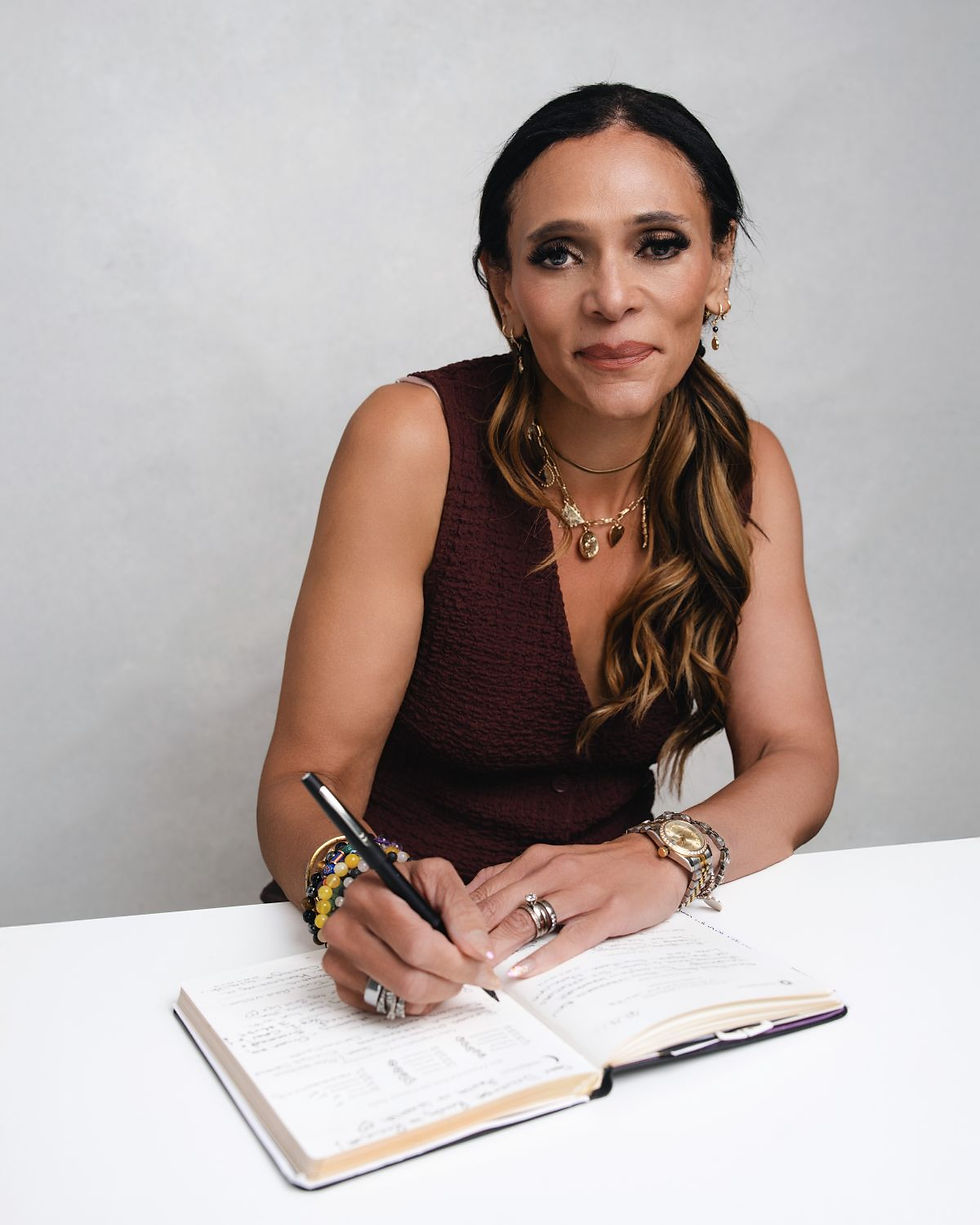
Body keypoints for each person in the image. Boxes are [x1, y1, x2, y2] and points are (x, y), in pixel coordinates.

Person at [257, 83, 837, 1019]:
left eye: (659, 244)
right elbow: (302, 784)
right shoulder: (413, 439)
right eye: (559, 254)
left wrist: (658, 860)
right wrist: (348, 894)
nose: (613, 298)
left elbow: (798, 755)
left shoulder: (747, 466)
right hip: (419, 952)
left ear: (719, 264)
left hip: (618, 949)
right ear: (502, 288)